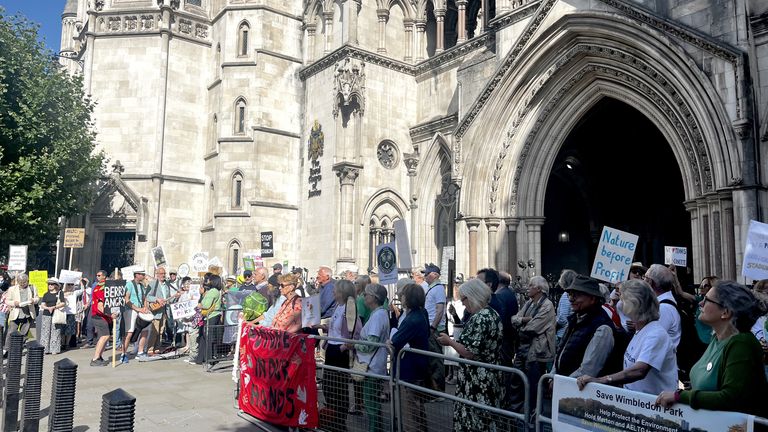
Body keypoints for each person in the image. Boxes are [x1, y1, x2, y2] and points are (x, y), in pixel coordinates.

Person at [655, 281, 768, 417]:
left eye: (707, 300)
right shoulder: (717, 339)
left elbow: (731, 398)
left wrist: (680, 396)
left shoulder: (741, 343)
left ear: (725, 312)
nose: (700, 303)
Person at [577, 279, 677, 395]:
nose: (620, 304)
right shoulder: (640, 330)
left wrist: (602, 380)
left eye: (622, 299)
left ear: (634, 304)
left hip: (654, 407)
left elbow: (640, 370)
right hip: (637, 403)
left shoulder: (655, 334)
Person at [437, 278, 503, 431]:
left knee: (476, 420)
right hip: (489, 374)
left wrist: (450, 342)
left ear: (473, 296)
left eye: (463, 300)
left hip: (478, 380)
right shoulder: (492, 314)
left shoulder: (481, 318)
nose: (463, 304)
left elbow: (469, 352)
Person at [318, 279, 359, 432]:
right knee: (328, 386)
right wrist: (322, 326)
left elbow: (354, 331)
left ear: (342, 292)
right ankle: (332, 420)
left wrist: (342, 347)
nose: (333, 292)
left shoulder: (349, 307)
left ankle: (339, 423)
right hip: (332, 349)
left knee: (338, 388)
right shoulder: (338, 306)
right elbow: (335, 327)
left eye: (335, 290)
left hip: (339, 352)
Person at [554, 275, 615, 377]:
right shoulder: (575, 320)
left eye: (576, 295)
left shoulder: (602, 327)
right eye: (570, 294)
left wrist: (561, 383)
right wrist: (553, 376)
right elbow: (561, 352)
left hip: (577, 390)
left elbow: (588, 370)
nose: (571, 299)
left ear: (592, 298)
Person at [511, 275, 556, 409]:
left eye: (531, 285)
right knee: (517, 381)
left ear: (539, 289)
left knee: (533, 387)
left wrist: (521, 322)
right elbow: (514, 319)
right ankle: (517, 412)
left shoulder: (547, 305)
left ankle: (532, 418)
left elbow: (533, 328)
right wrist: (525, 320)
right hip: (523, 349)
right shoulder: (529, 303)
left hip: (536, 352)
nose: (528, 288)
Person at [390, 283, 430, 432]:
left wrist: (391, 341)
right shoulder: (422, 313)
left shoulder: (413, 319)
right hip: (417, 367)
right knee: (417, 409)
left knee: (410, 412)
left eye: (404, 295)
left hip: (409, 370)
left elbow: (395, 340)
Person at [354, 283, 390, 432]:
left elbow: (371, 344)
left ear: (374, 298)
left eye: (366, 294)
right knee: (372, 402)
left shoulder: (378, 316)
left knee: (370, 403)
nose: (364, 297)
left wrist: (354, 345)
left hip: (372, 366)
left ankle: (374, 429)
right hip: (374, 365)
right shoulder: (379, 314)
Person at [643, 264, 681, 348]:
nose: (643, 281)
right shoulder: (661, 304)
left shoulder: (664, 308)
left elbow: (653, 341)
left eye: (644, 277)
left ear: (650, 281)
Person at [422, 263, 447, 391]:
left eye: (427, 273)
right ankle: (435, 388)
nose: (425, 276)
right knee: (432, 358)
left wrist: (433, 327)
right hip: (432, 327)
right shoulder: (434, 288)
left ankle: (438, 391)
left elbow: (439, 310)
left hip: (434, 328)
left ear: (434, 275)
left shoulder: (438, 289)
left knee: (436, 359)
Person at [192, 274, 223, 365]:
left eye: (210, 280)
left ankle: (209, 358)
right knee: (204, 337)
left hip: (211, 315)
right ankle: (201, 358)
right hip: (211, 315)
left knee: (208, 337)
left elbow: (206, 305)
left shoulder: (213, 291)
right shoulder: (216, 291)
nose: (208, 281)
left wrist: (199, 304)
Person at [121, 267, 150, 364]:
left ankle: (140, 352)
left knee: (145, 331)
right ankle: (123, 353)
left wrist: (145, 307)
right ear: (136, 275)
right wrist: (137, 309)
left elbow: (144, 298)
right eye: (141, 274)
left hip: (140, 310)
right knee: (129, 332)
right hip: (131, 310)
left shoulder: (141, 286)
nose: (143, 276)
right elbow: (126, 299)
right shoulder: (129, 284)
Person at [90, 270, 118, 366]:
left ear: (104, 277)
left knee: (106, 336)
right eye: (97, 275)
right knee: (104, 336)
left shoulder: (108, 287)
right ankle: (95, 358)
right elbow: (100, 307)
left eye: (99, 275)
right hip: (99, 316)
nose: (97, 277)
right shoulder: (99, 288)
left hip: (106, 317)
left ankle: (100, 356)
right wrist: (110, 315)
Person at [4, 273, 39, 349]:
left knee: (24, 333)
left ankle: (18, 348)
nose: (22, 284)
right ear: (17, 281)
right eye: (20, 282)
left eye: (24, 282)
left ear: (28, 281)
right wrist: (14, 303)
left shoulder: (32, 288)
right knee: (11, 332)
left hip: (28, 313)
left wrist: (34, 300)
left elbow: (37, 298)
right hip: (16, 313)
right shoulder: (12, 289)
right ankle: (6, 349)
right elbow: (7, 301)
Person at [39, 278, 66, 355]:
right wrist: (48, 308)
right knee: (45, 332)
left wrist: (54, 307)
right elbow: (43, 304)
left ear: (56, 285)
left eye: (52, 284)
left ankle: (54, 349)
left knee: (55, 331)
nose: (50, 285)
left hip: (56, 314)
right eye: (49, 284)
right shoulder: (46, 294)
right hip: (46, 314)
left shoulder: (60, 293)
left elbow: (63, 303)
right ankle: (44, 349)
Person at [555, 269, 578, 344]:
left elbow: (562, 317)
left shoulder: (566, 295)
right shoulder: (576, 294)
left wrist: (555, 324)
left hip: (563, 333)